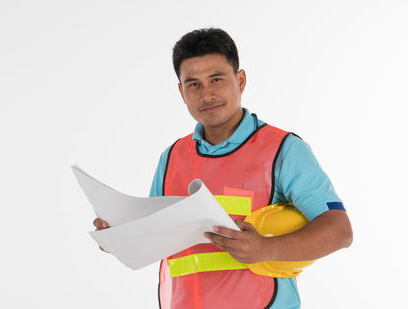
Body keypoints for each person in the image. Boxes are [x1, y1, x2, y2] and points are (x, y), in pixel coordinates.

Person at [93, 28, 353, 309]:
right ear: (181, 92)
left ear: (240, 80)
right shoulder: (171, 157)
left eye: (216, 79)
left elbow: (339, 231)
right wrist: (117, 237)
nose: (206, 94)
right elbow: (158, 236)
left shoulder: (284, 149)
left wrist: (267, 249)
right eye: (193, 84)